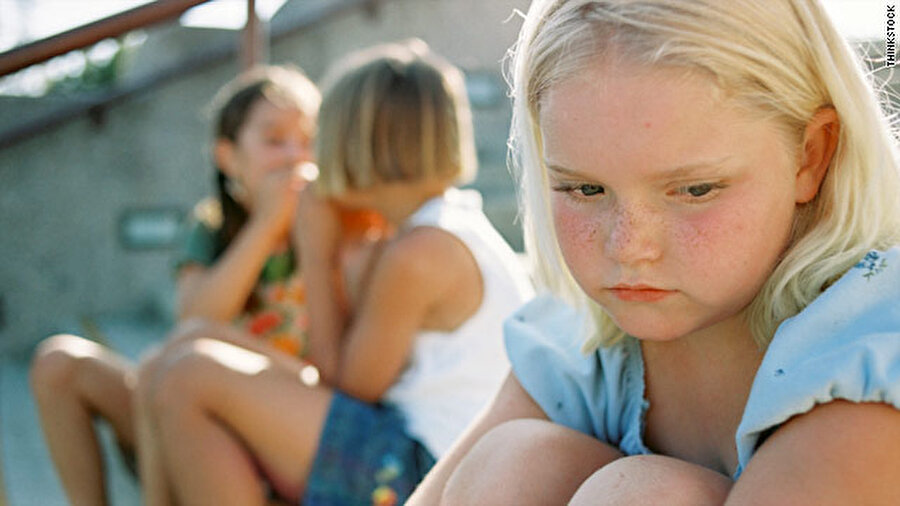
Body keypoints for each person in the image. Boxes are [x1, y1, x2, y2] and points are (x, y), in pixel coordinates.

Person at [408, 0, 900, 504]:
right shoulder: (583, 348)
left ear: (810, 155)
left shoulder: (873, 353)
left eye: (695, 190)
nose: (629, 248)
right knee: (511, 465)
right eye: (585, 190)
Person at [133, 39, 535, 506]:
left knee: (190, 378)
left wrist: (316, 250)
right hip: (418, 449)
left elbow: (345, 386)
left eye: (321, 138)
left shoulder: (420, 252)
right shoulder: (434, 226)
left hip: (431, 473)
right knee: (189, 343)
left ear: (358, 147)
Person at [29, 65, 381, 506]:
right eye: (275, 140)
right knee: (59, 362)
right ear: (228, 157)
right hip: (189, 400)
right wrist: (267, 226)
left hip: (278, 415)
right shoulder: (212, 226)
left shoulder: (340, 227)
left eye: (309, 141)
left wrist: (306, 229)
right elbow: (194, 318)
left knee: (178, 367)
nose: (296, 156)